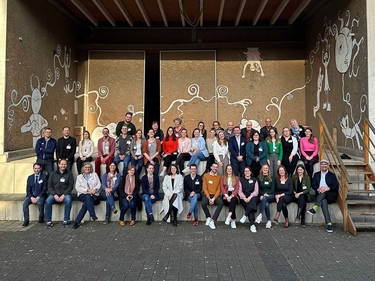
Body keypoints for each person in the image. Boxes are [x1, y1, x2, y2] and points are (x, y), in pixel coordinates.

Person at [308, 159, 339, 233]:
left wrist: (328, 188)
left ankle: (315, 207)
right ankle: (329, 223)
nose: (324, 166)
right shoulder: (316, 174)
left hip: (330, 195)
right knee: (323, 201)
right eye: (322, 164)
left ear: (328, 166)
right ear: (320, 166)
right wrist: (318, 189)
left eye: (325, 164)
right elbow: (313, 185)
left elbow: (336, 187)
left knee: (324, 192)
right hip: (320, 194)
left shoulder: (332, 175)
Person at [45, 159, 74, 228]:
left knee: (68, 200)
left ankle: (66, 220)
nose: (63, 166)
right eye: (62, 164)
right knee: (48, 201)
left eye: (65, 164)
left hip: (65, 194)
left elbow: (70, 186)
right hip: (54, 194)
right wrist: (55, 195)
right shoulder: (53, 174)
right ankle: (48, 221)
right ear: (58, 165)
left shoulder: (69, 174)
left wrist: (64, 195)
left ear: (67, 165)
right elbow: (49, 186)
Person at [73, 162, 101, 229]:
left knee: (86, 203)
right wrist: (87, 190)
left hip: (94, 195)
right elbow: (77, 188)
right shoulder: (79, 177)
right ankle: (92, 214)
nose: (87, 168)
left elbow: (99, 184)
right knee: (88, 197)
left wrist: (94, 190)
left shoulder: (94, 175)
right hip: (82, 195)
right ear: (83, 168)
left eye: (89, 167)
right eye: (86, 167)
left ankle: (76, 222)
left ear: (91, 168)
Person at [201, 163, 223, 230]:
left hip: (215, 195)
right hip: (207, 194)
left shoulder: (219, 177)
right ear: (211, 167)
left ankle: (212, 221)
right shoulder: (206, 175)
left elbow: (219, 189)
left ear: (218, 168)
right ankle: (208, 217)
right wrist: (209, 198)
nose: (215, 168)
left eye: (216, 167)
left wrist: (213, 198)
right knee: (203, 203)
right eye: (213, 167)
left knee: (221, 203)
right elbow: (205, 187)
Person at [239, 167, 259, 233]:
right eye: (245, 171)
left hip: (253, 197)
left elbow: (256, 191)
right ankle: (252, 225)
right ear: (244, 173)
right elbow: (240, 191)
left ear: (251, 172)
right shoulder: (241, 180)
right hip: (244, 198)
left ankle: (245, 215)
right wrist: (244, 198)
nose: (247, 172)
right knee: (250, 207)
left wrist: (250, 197)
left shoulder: (254, 180)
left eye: (248, 171)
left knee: (252, 201)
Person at [256, 164, 275, 229]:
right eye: (264, 168)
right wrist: (262, 194)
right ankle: (269, 221)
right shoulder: (259, 177)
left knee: (265, 198)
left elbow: (272, 189)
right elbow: (258, 189)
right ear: (262, 169)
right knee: (266, 204)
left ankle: (260, 214)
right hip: (262, 195)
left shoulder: (272, 177)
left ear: (268, 169)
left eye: (266, 168)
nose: (265, 169)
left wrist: (266, 194)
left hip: (271, 195)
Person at [221, 165, 239, 229]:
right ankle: (233, 220)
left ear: (232, 170)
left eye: (230, 169)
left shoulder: (236, 178)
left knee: (233, 200)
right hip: (226, 194)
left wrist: (231, 196)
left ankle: (229, 216)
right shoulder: (223, 177)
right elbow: (222, 188)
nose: (229, 170)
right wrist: (227, 196)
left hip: (234, 194)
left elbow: (237, 189)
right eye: (228, 169)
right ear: (226, 170)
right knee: (232, 204)